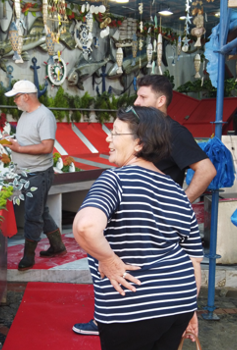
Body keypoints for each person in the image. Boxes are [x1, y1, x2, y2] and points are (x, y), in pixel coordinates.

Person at [72, 105, 203, 350]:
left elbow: (84, 226)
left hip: (131, 304)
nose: (107, 139)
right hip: (178, 301)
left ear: (141, 143)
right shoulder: (174, 189)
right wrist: (191, 310)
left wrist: (109, 260)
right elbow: (194, 255)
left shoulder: (115, 179)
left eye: (115, 132)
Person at [73, 74, 216, 335]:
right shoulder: (123, 174)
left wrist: (178, 204)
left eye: (142, 96)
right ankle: (105, 320)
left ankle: (113, 321)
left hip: (152, 226)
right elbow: (194, 261)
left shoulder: (173, 133)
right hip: (172, 301)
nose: (136, 101)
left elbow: (206, 170)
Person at [5, 79, 65, 270]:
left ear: (26, 96)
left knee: (33, 215)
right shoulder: (25, 114)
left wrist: (19, 149)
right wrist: (12, 142)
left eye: (16, 97)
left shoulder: (44, 116)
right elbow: (28, 141)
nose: (14, 100)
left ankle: (28, 256)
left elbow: (47, 147)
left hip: (38, 173)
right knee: (40, 210)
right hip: (25, 172)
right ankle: (58, 245)